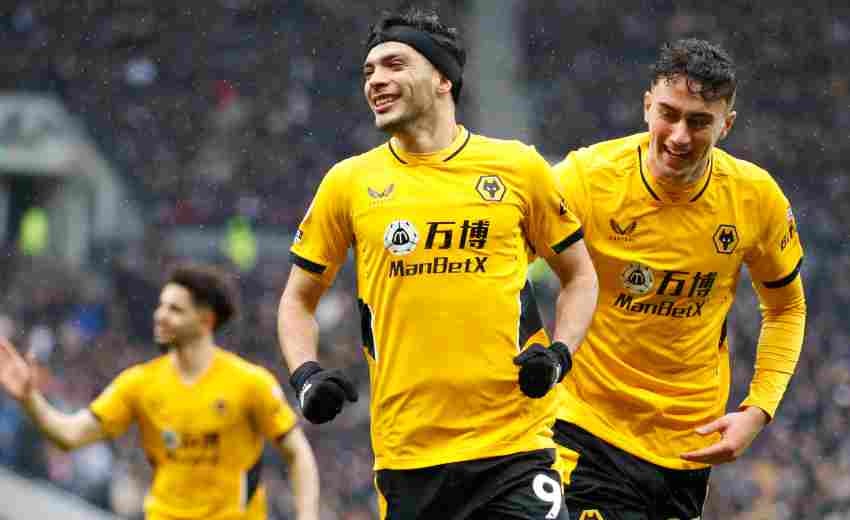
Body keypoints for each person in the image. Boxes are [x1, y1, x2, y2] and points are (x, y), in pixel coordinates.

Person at [277, 8, 599, 520]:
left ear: (442, 78)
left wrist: (559, 354)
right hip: (409, 457)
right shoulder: (349, 182)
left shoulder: (517, 167)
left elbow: (580, 276)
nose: (377, 81)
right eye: (369, 72)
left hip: (514, 447)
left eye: (394, 65)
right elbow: (297, 300)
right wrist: (306, 375)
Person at [551, 39, 806, 520]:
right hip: (587, 429)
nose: (679, 135)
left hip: (689, 445)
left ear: (726, 125)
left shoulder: (755, 199)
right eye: (668, 113)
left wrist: (758, 409)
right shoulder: (585, 179)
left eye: (699, 121)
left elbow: (786, 307)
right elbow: (502, 264)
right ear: (647, 105)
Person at [0, 264, 320, 520]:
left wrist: (307, 515)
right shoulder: (139, 383)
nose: (160, 315)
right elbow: (69, 435)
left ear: (205, 320)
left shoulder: (250, 383)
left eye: (174, 309)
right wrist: (30, 398)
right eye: (161, 306)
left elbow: (298, 453)